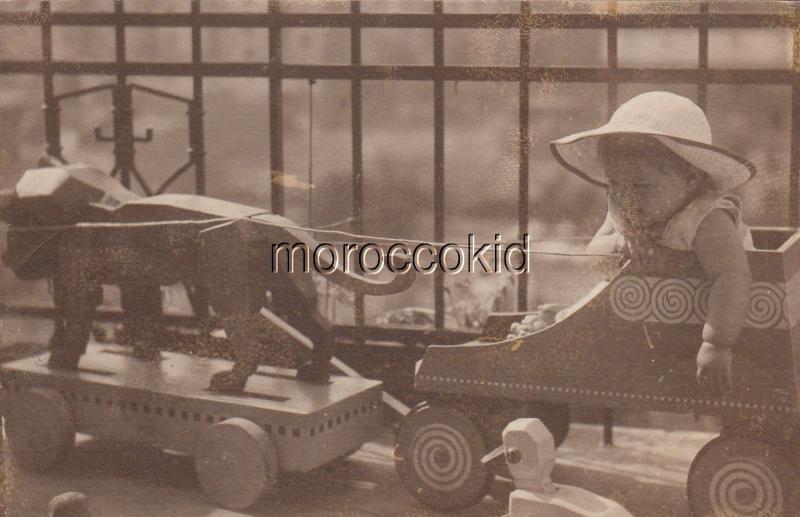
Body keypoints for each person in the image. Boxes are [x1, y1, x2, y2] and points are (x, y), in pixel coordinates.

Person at [509, 91, 756, 396]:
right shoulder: (626, 207)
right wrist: (616, 246)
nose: (625, 197)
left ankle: (554, 332)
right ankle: (555, 327)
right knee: (595, 309)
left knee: (600, 321)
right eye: (615, 184)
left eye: (641, 185)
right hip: (646, 316)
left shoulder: (706, 219)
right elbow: (593, 257)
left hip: (703, 326)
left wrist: (716, 343)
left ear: (691, 179)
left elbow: (732, 277)